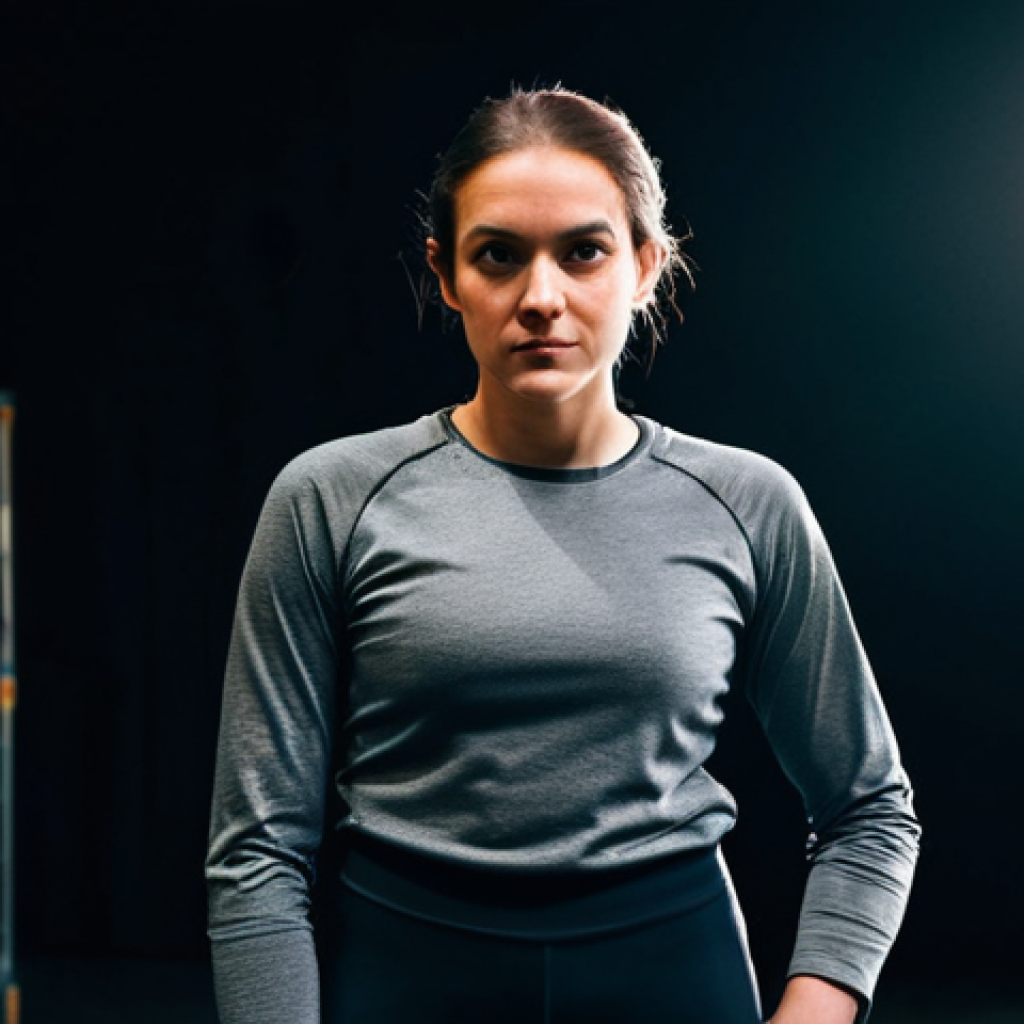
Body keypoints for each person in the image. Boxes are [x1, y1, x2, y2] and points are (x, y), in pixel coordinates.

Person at [205, 86, 920, 1024]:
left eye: (583, 250)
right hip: (403, 978)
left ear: (646, 266)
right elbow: (257, 850)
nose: (541, 297)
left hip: (678, 980)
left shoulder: (748, 504)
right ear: (446, 273)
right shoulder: (330, 498)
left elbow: (871, 809)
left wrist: (816, 1012)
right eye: (498, 255)